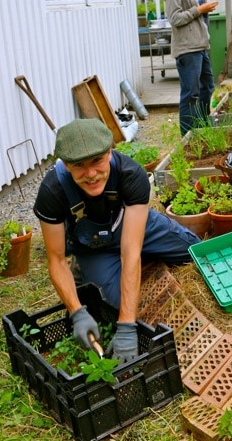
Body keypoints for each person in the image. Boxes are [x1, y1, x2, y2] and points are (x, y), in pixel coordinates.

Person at [34, 118, 199, 363]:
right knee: (112, 306)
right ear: (66, 164)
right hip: (93, 246)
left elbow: (130, 252)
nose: (91, 174)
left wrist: (127, 327)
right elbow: (56, 259)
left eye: (97, 161)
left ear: (110, 152)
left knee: (193, 251)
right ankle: (84, 267)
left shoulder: (131, 175)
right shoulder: (52, 191)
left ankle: (152, 248)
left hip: (134, 224)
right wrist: (76, 312)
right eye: (79, 165)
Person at [166, 0, 219, 136]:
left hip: (200, 45)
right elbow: (175, 19)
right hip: (187, 48)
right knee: (190, 93)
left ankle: (203, 125)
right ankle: (188, 135)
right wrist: (200, 10)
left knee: (207, 86)